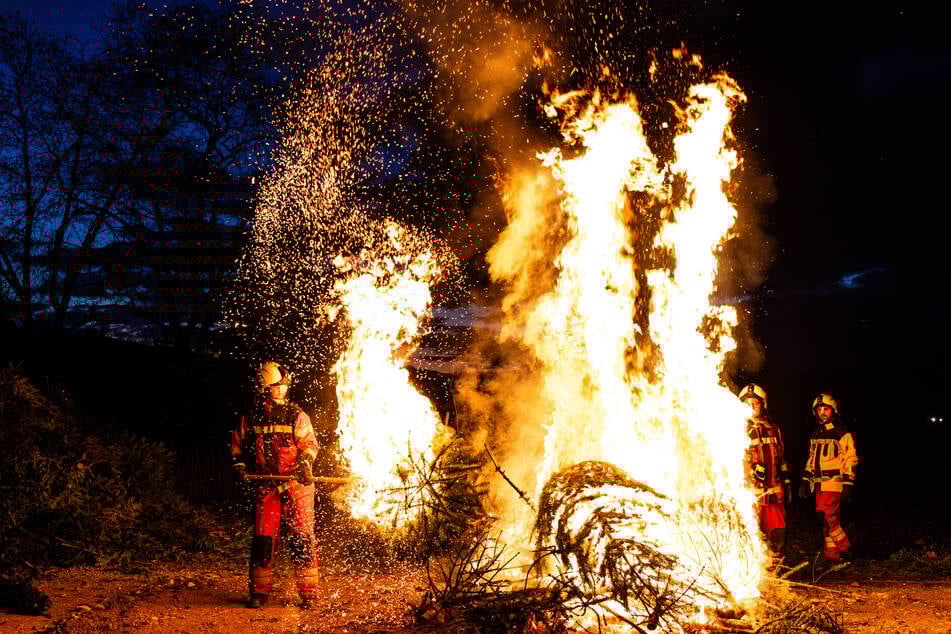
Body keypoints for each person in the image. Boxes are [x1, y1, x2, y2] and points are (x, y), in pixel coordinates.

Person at [231, 362, 320, 609]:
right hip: (267, 485)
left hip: (296, 484)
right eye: (276, 386)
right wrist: (239, 466)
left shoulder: (297, 415)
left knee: (302, 538)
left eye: (283, 386)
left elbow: (310, 445)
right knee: (263, 539)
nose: (282, 390)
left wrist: (305, 464)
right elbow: (237, 445)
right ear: (264, 388)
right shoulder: (250, 417)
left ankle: (309, 595)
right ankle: (259, 593)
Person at [799, 392, 858, 562]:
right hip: (818, 484)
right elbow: (811, 459)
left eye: (826, 409)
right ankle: (832, 556)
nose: (822, 412)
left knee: (826, 516)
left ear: (834, 411)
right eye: (819, 410)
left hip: (834, 482)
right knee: (826, 522)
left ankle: (846, 548)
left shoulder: (842, 433)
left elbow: (850, 458)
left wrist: (848, 482)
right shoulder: (815, 434)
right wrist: (805, 480)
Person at [739, 383, 791, 563]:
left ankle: (776, 572)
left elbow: (781, 458)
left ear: (763, 404)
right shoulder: (739, 429)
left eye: (756, 403)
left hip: (774, 491)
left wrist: (786, 481)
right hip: (751, 493)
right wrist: (751, 469)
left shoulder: (774, 428)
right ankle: (755, 572)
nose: (752, 407)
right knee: (752, 532)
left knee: (777, 532)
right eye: (747, 404)